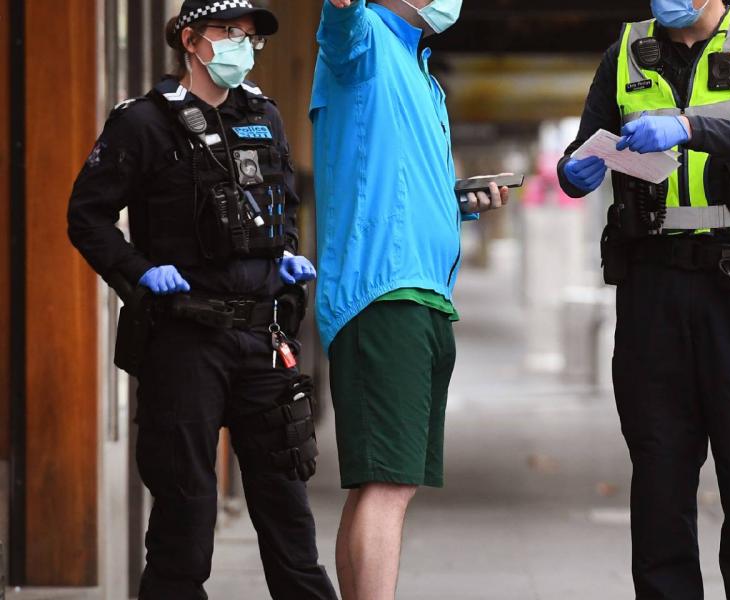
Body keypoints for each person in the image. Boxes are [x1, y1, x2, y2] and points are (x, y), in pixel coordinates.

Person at [66, 1, 337, 598]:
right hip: (186, 340)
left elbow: (283, 203)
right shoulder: (143, 123)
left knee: (288, 510)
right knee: (185, 515)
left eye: (251, 36)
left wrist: (285, 253)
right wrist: (138, 274)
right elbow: (87, 218)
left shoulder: (263, 114)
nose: (243, 44)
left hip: (263, 340)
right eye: (229, 33)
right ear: (191, 40)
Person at [558, 0, 730, 597]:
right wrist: (575, 170)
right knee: (660, 474)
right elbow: (583, 147)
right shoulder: (625, 51)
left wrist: (688, 126)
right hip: (653, 288)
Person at [310, 0, 510, 597]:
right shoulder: (363, 37)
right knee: (388, 485)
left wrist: (457, 207)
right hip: (383, 295)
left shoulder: (420, 71)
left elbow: (398, 185)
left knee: (383, 482)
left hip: (422, 294)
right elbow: (338, 23)